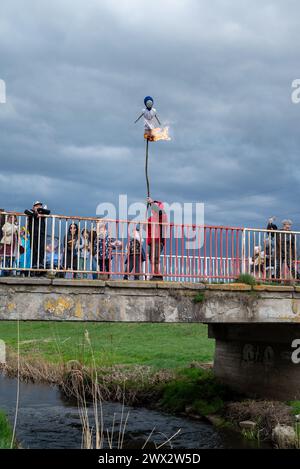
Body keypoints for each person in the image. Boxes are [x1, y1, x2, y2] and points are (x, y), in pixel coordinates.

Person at [24, 201, 51, 274]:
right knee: (34, 248)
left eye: (40, 206)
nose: (38, 207)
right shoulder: (31, 211)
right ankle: (34, 264)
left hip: (41, 233)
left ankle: (41, 263)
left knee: (41, 248)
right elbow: (26, 211)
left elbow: (48, 212)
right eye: (37, 206)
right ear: (33, 207)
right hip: (33, 233)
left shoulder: (43, 212)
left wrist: (40, 211)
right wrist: (35, 214)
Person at [146, 197, 167, 281]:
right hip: (151, 241)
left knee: (156, 257)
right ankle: (156, 274)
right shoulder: (151, 218)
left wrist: (151, 203)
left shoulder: (162, 215)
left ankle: (158, 275)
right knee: (152, 258)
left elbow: (160, 212)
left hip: (158, 240)